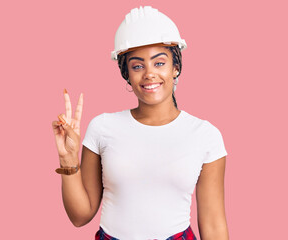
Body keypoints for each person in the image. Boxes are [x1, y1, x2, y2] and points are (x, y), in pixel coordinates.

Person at [52, 6, 229, 240]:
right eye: (137, 66)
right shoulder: (102, 127)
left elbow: (214, 226)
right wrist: (68, 159)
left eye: (159, 63)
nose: (149, 74)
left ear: (175, 67)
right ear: (126, 73)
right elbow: (80, 216)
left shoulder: (205, 135)